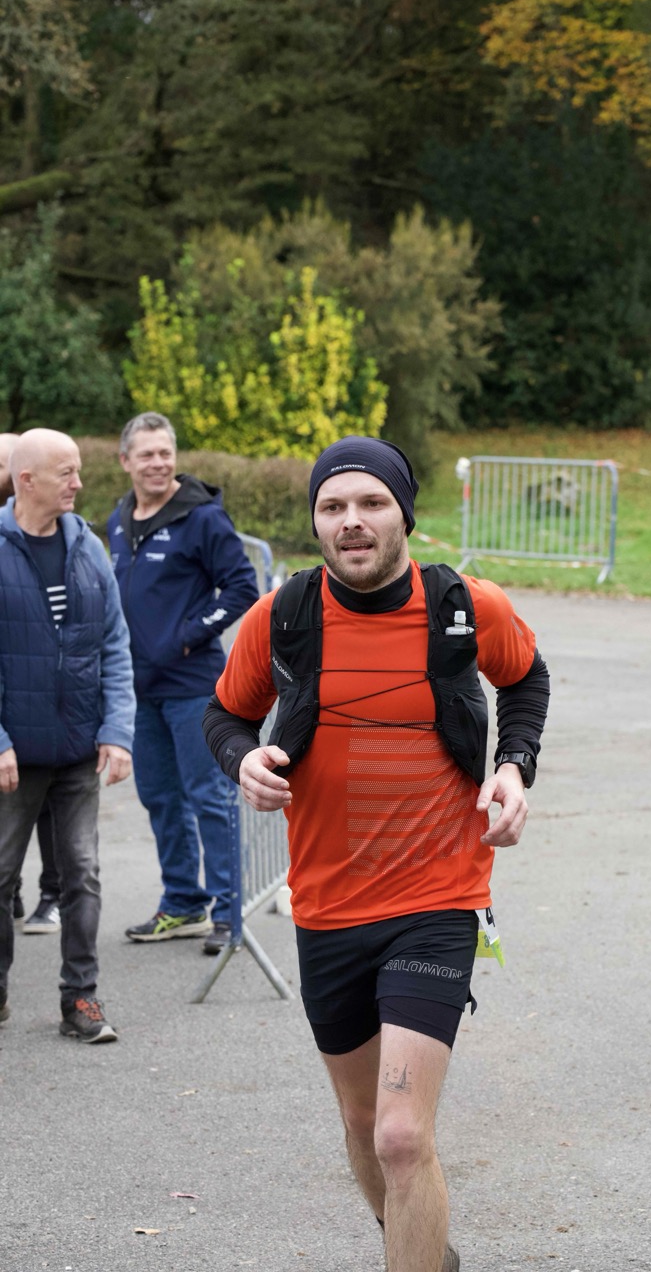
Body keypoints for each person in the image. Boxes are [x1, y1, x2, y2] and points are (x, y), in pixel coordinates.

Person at [203, 435, 550, 1272]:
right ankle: (427, 1254)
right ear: (316, 521)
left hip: (436, 900)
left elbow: (525, 678)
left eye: (370, 503)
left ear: (404, 516)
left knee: (400, 1135)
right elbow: (225, 715)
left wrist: (513, 766)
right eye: (332, 506)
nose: (350, 521)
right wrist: (241, 761)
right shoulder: (282, 616)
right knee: (363, 1126)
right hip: (327, 907)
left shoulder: (464, 606)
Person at [0, 429, 135, 1042]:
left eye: (78, 470)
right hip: (13, 756)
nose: (79, 483)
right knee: (2, 878)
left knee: (83, 875)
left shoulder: (89, 549)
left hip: (78, 753)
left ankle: (80, 998)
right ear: (26, 480)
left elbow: (115, 646)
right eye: (67, 473)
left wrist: (117, 731)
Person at [107, 412, 259, 956]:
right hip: (138, 689)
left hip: (193, 685)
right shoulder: (119, 518)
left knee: (208, 798)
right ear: (125, 461)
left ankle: (227, 911)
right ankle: (182, 904)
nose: (158, 463)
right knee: (159, 798)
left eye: (165, 452)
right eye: (147, 454)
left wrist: (189, 637)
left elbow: (242, 587)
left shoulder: (203, 519)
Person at [0, 432, 64, 933]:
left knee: (47, 805)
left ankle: (51, 893)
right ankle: (18, 890)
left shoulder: (58, 530)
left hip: (45, 714)